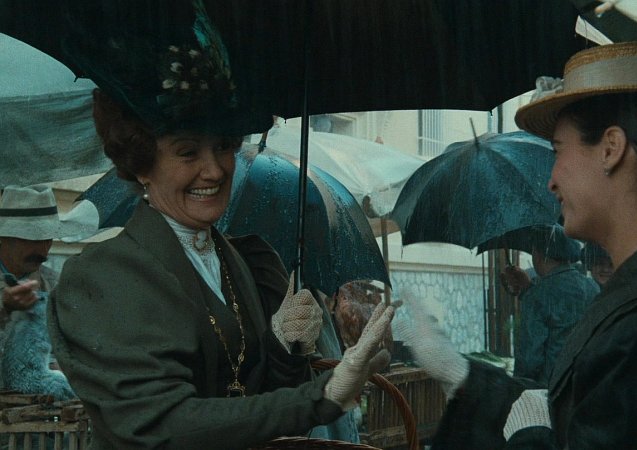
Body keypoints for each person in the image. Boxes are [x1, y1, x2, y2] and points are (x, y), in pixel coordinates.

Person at [47, 5, 395, 449]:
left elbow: (262, 407)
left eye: (224, 146)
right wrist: (323, 396)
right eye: (188, 152)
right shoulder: (103, 277)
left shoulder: (249, 261)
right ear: (141, 164)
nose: (214, 170)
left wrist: (285, 347)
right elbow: (160, 426)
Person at [399, 41, 637, 449]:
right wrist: (463, 376)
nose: (552, 180)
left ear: (611, 149)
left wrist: (530, 434)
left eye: (558, 151)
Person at [0, 185, 98, 395]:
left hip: (31, 408)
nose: (43, 250)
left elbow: (65, 345)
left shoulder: (52, 283)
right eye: (32, 238)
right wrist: (4, 308)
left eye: (48, 238)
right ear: (3, 236)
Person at [499, 225, 599, 385]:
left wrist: (516, 388)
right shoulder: (592, 287)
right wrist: (529, 289)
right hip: (588, 384)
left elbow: (529, 361)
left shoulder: (537, 296)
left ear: (538, 255)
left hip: (551, 390)